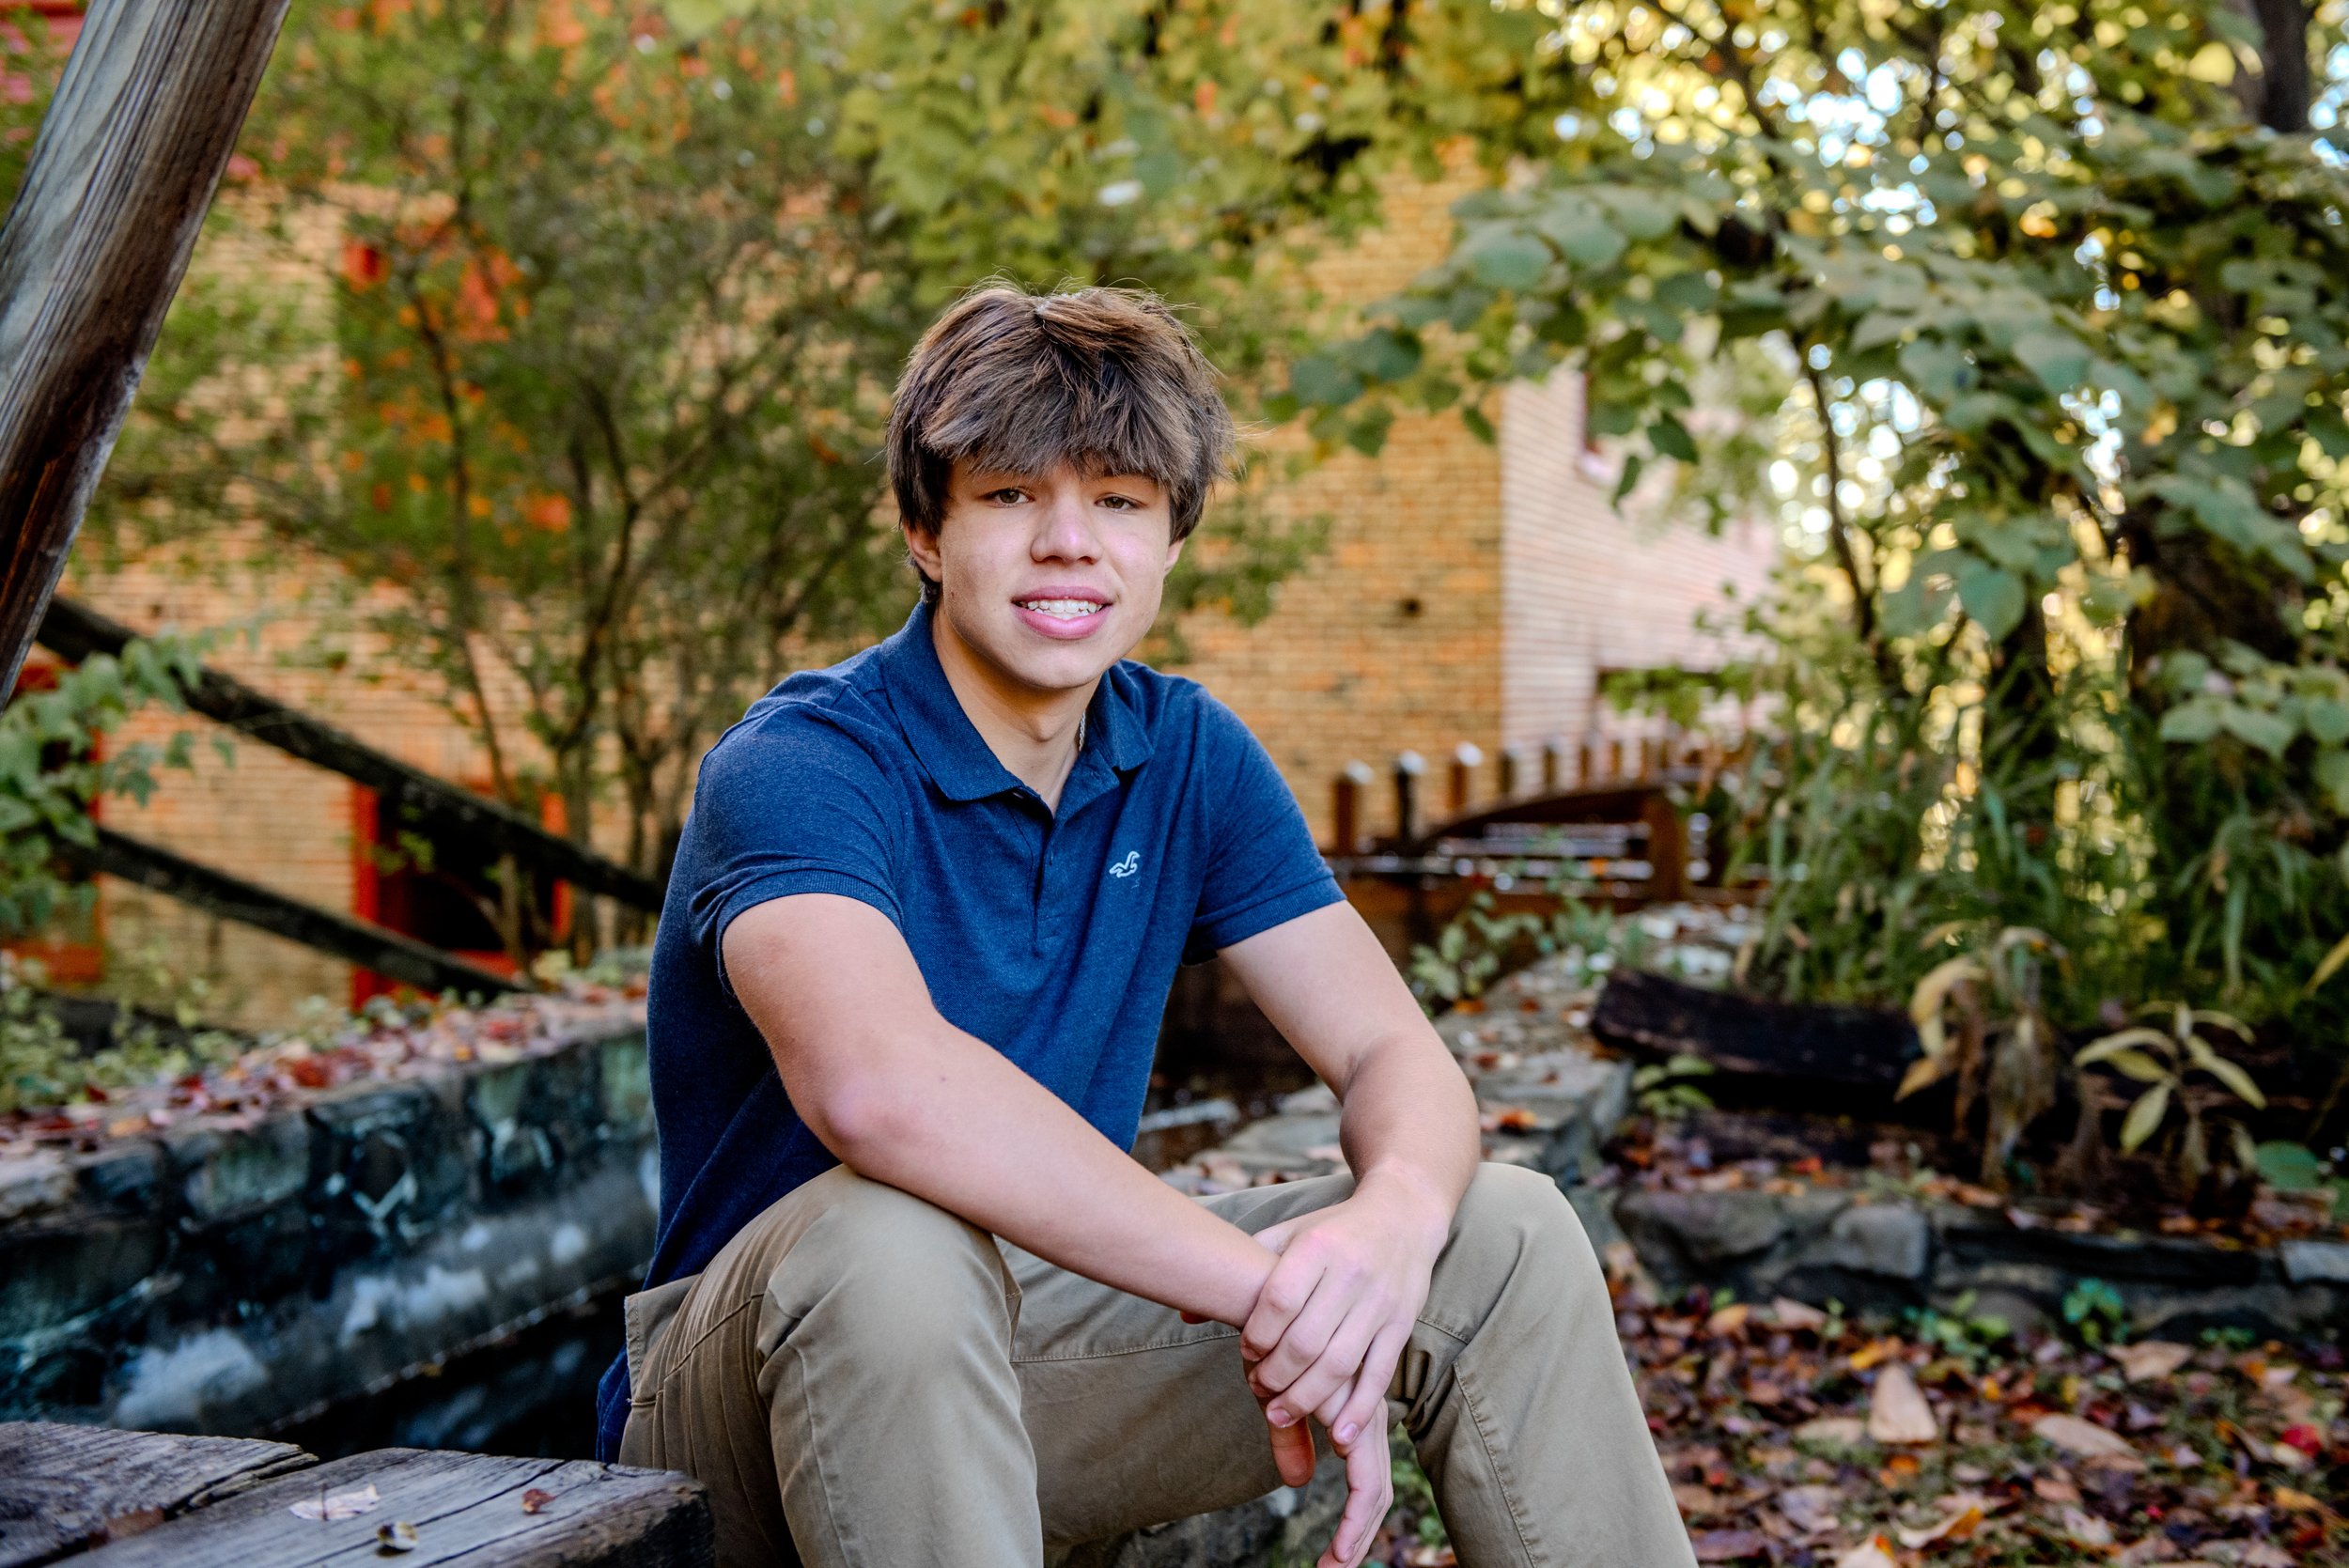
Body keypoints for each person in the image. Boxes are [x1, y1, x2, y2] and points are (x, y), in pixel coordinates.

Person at [592, 282, 1693, 1568]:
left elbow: (1399, 1061)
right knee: (886, 1239)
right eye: (1011, 495)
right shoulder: (802, 762)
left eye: (1119, 500)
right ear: (924, 530)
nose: (1071, 542)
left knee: (1501, 1231)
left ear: (1171, 538)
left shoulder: (1185, 756)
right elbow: (880, 1091)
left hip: (1029, 1359)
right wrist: (1283, 1296)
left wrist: (1389, 1231)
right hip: (746, 1405)